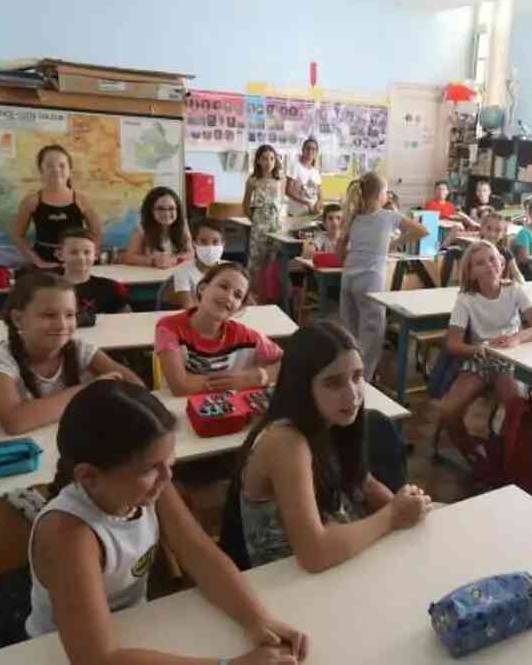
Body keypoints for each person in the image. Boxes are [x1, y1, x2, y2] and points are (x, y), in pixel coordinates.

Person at [27, 380, 309, 664]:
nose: (167, 477)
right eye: (151, 468)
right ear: (89, 476)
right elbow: (95, 658)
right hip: (62, 652)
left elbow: (199, 553)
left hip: (135, 630)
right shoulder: (68, 535)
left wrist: (258, 619)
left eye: (169, 462)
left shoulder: (146, 488)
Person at [222, 321, 432, 571]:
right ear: (301, 386)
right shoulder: (285, 441)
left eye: (357, 377)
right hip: (290, 585)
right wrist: (393, 515)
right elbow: (315, 554)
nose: (352, 395)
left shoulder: (331, 419)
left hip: (339, 561)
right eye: (333, 383)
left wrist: (406, 506)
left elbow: (364, 483)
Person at [0, 271, 142, 434]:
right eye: (49, 315)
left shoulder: (79, 349)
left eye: (69, 315)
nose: (62, 325)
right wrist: (89, 391)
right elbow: (15, 422)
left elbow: (136, 388)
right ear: (18, 319)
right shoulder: (0, 360)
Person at [438, 241, 532, 467]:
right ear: (470, 273)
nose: (489, 265)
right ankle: (474, 454)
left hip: (508, 361)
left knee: (516, 406)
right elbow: (453, 343)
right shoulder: (466, 299)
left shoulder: (514, 291)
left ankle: (510, 454)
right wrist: (479, 349)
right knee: (449, 410)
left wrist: (517, 338)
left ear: (501, 262)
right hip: (480, 360)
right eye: (480, 263)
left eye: (492, 259)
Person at [336, 172, 430, 381]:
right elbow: (423, 231)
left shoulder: (354, 217)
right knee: (372, 336)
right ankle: (363, 380)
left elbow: (339, 254)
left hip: (348, 279)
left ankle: (347, 373)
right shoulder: (389, 216)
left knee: (349, 333)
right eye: (386, 190)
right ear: (380, 194)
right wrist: (393, 244)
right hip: (370, 283)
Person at [156, 262, 283, 396]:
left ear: (239, 307)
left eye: (237, 295)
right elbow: (181, 387)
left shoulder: (247, 337)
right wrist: (238, 381)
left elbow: (289, 362)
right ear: (202, 288)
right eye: (223, 286)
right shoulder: (169, 327)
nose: (229, 297)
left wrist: (261, 376)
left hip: (227, 411)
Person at [11, 145, 102, 269]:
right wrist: (39, 262)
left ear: (70, 170)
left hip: (76, 263)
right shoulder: (31, 201)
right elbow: (18, 236)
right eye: (49, 165)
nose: (56, 170)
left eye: (62, 165)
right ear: (41, 170)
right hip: (44, 263)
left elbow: (97, 233)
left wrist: (87, 258)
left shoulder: (82, 200)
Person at [243, 145, 287, 300]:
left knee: (273, 261)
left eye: (272, 158)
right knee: (256, 262)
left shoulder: (280, 179)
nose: (268, 162)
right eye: (264, 158)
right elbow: (245, 205)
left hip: (276, 227)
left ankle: (270, 295)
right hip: (260, 226)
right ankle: (252, 296)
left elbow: (282, 203)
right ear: (258, 161)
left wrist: (278, 222)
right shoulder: (253, 180)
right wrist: (256, 221)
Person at [58, 227, 129, 315]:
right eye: (73, 252)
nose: (81, 257)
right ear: (60, 255)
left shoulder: (109, 287)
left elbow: (127, 318)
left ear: (95, 255)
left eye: (87, 252)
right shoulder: (48, 289)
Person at [123, 187, 193, 268]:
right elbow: (128, 258)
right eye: (160, 209)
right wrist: (153, 261)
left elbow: (191, 253)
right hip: (151, 277)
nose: (166, 214)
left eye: (171, 208)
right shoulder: (142, 229)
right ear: (151, 211)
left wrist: (173, 259)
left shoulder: (183, 225)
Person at [168, 218, 226, 309]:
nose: (210, 247)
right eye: (203, 241)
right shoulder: (182, 271)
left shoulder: (231, 270)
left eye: (215, 242)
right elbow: (189, 308)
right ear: (194, 243)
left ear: (223, 243)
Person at [479, 212, 524, 284]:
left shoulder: (506, 253)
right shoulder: (475, 252)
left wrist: (521, 283)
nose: (492, 234)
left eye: (497, 230)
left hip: (500, 292)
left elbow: (517, 273)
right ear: (482, 228)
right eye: (488, 228)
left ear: (503, 234)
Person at [286, 137, 323, 216]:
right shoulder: (295, 166)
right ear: (303, 149)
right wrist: (306, 203)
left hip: (311, 213)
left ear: (316, 153)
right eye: (308, 148)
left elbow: (320, 195)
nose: (310, 151)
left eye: (313, 149)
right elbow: (288, 191)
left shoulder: (316, 171)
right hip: (296, 213)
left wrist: (318, 205)